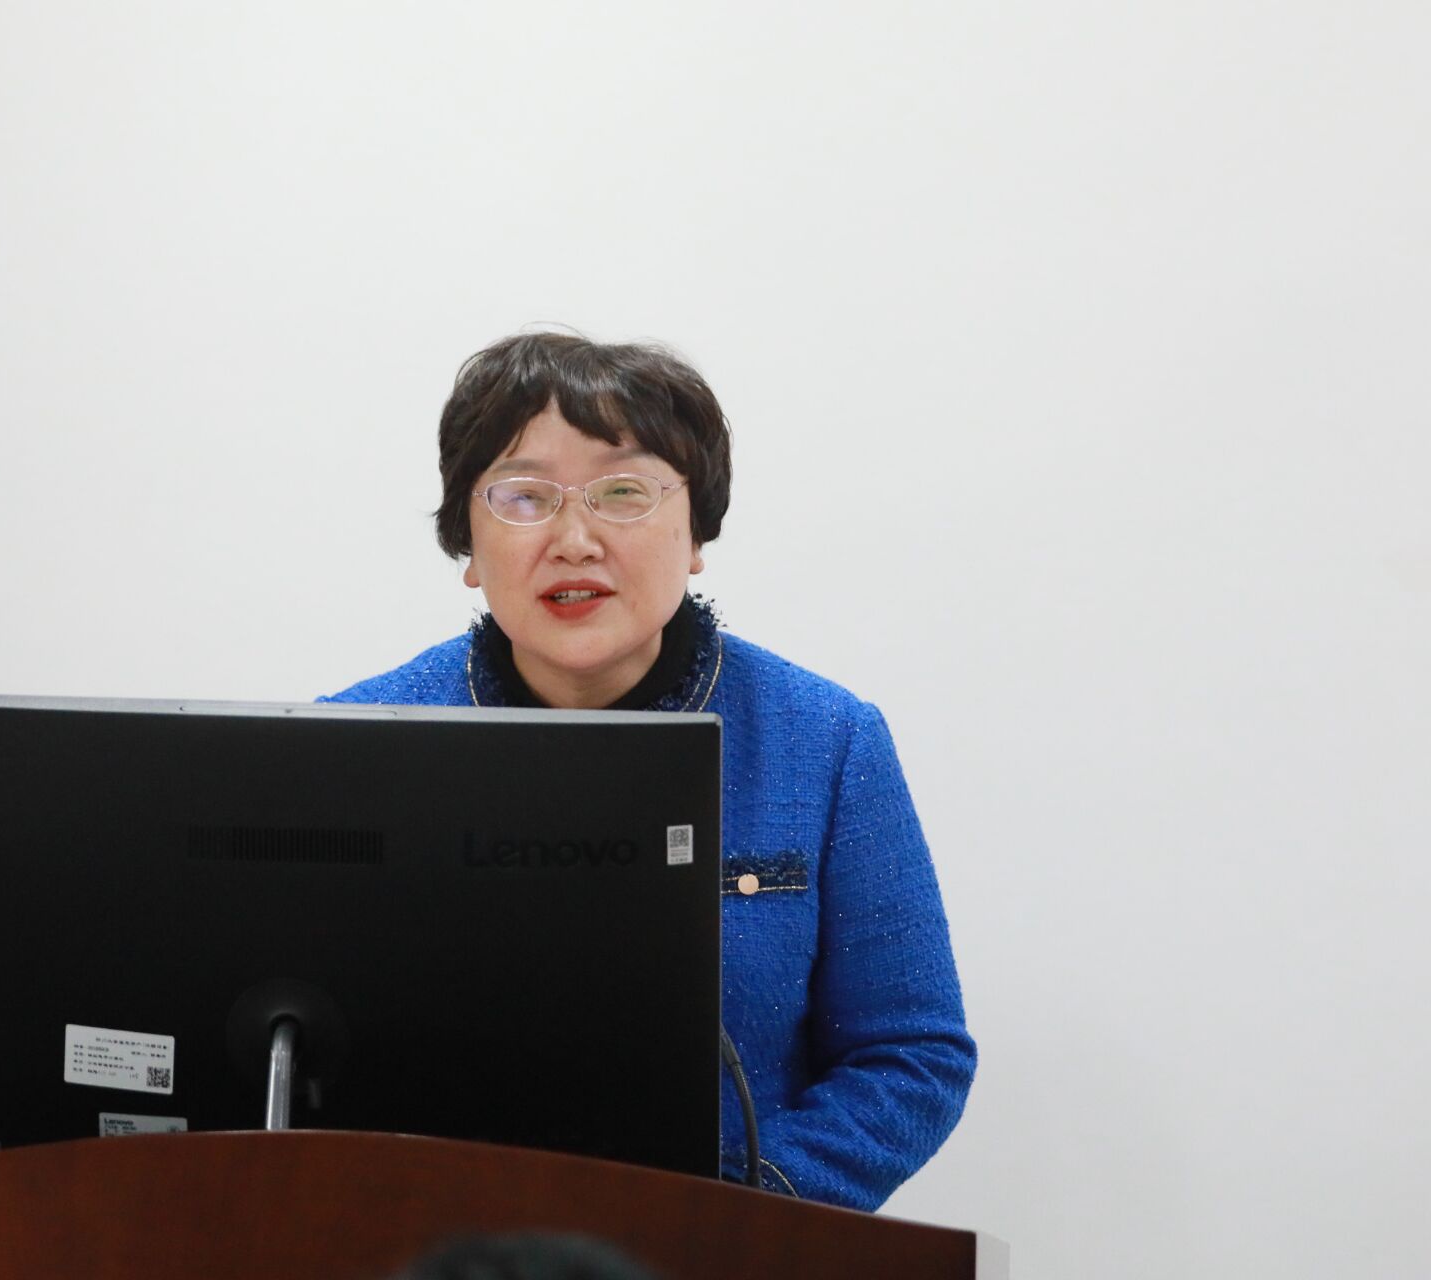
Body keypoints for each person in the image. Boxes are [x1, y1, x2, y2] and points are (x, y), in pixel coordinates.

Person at [322, 331, 975, 1210]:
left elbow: (909, 1055)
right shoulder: (353, 745)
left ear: (696, 531)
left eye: (623, 492)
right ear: (467, 545)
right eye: (525, 497)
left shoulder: (825, 743)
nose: (575, 540)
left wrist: (737, 1205)